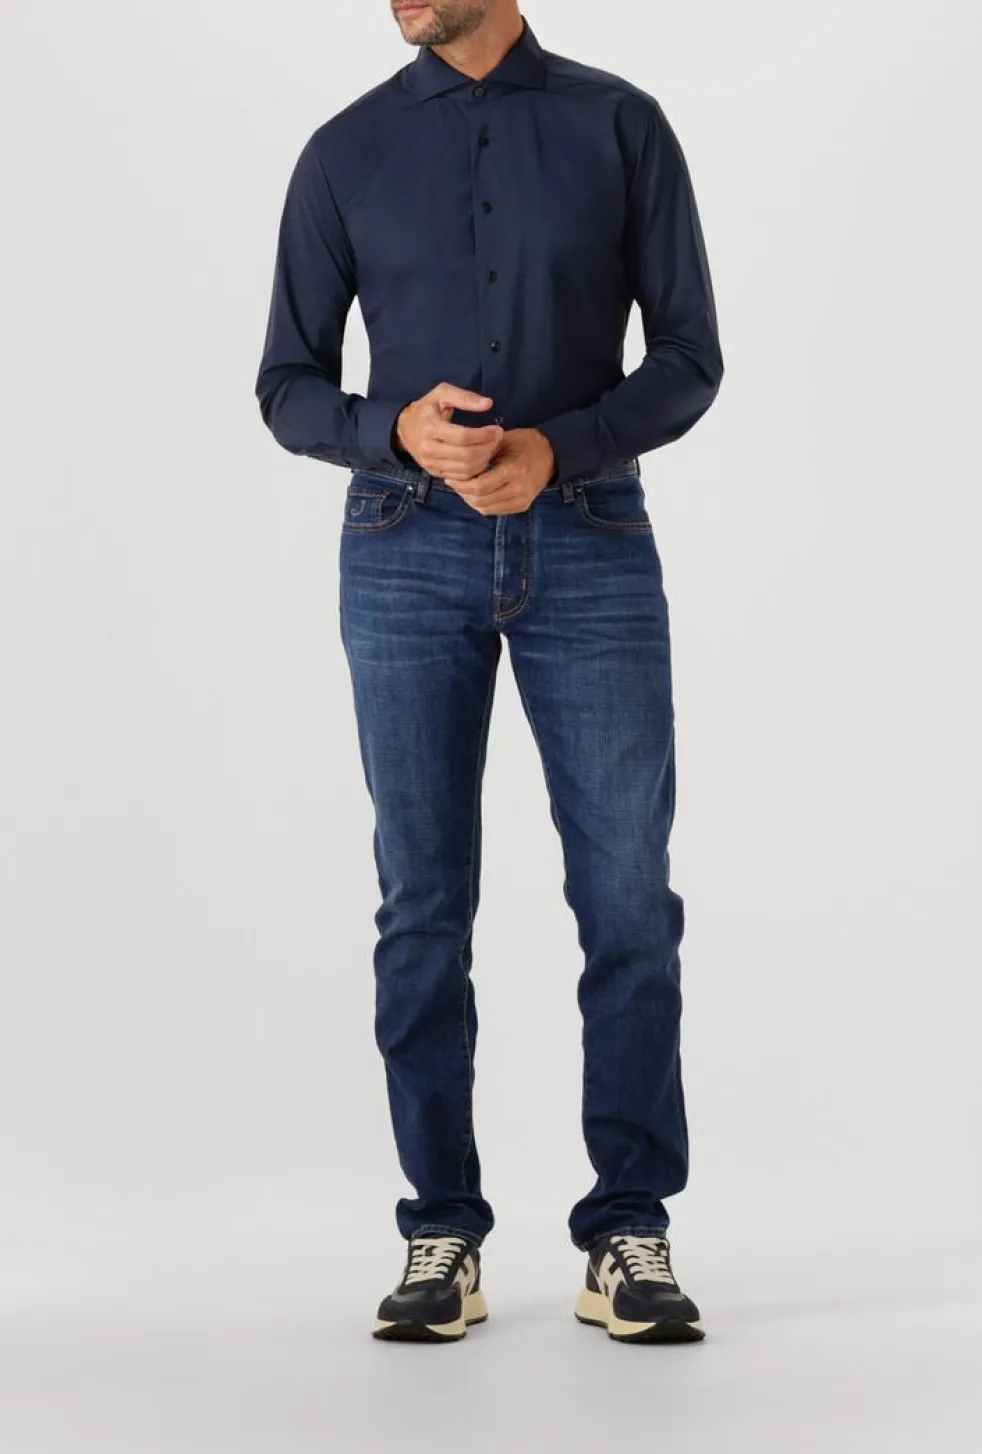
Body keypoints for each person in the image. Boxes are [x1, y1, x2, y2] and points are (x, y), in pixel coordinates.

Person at [254, 0, 723, 1345]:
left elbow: (690, 357)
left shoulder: (620, 126)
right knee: (422, 904)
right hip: (403, 546)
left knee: (628, 898)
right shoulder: (343, 152)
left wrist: (560, 447)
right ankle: (441, 1229)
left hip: (590, 539)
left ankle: (628, 1226)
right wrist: (390, 430)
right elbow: (286, 384)